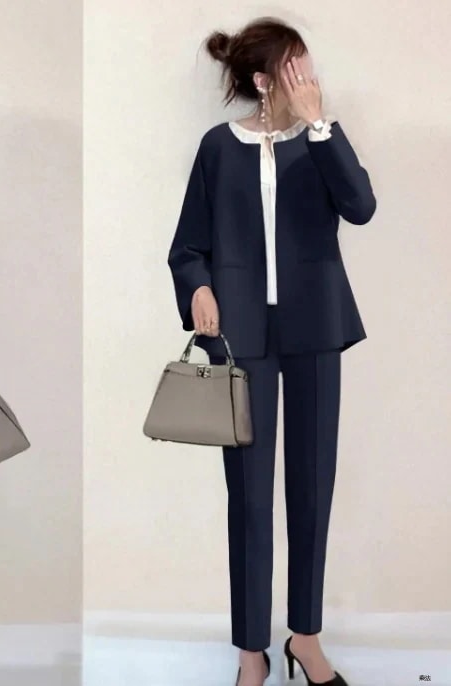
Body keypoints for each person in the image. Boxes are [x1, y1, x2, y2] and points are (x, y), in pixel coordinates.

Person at [168, 17, 375, 686]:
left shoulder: (321, 140)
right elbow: (187, 246)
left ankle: (305, 639)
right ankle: (251, 652)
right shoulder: (217, 148)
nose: (307, 78)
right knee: (250, 497)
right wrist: (198, 287)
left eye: (307, 65)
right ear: (263, 81)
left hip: (316, 326)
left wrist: (320, 127)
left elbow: (360, 206)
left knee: (313, 486)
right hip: (243, 337)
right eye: (293, 68)